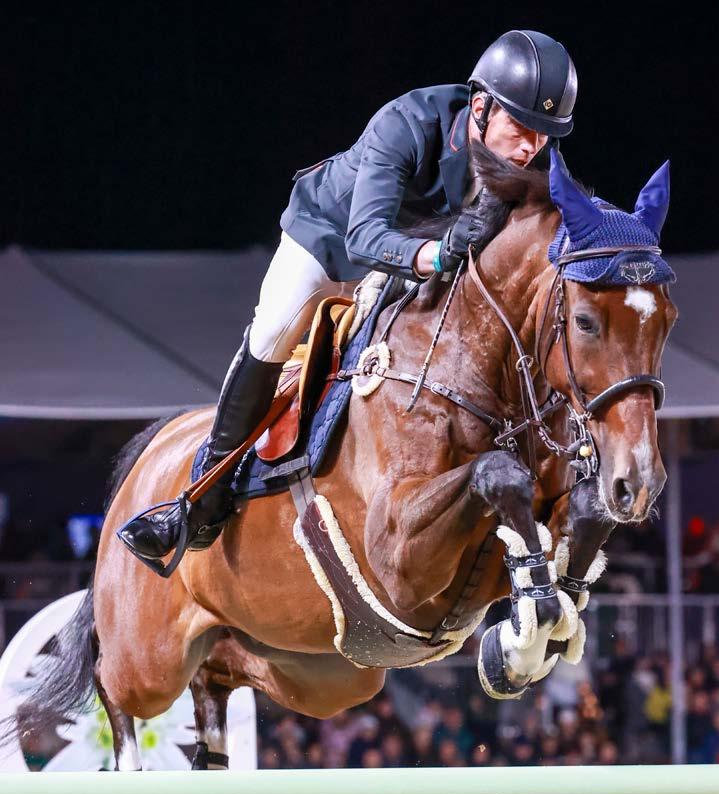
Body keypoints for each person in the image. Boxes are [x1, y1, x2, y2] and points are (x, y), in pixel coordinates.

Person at [119, 30, 578, 564]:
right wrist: (436, 255)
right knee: (273, 332)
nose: (530, 148)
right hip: (330, 241)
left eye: (544, 136)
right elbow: (363, 238)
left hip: (409, 263)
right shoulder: (406, 123)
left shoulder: (531, 157)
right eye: (521, 129)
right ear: (480, 109)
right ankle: (201, 494)